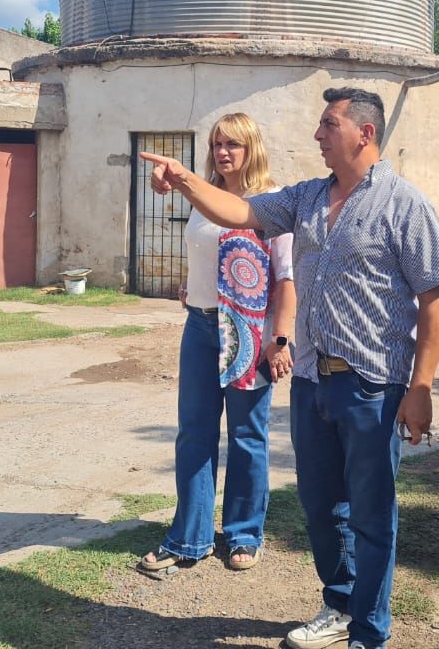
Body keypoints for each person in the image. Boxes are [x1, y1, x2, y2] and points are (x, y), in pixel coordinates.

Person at [141, 87, 439, 649]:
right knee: (319, 505)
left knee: (371, 511)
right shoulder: (307, 198)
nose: (317, 135)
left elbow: (434, 300)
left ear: (364, 132)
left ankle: (370, 630)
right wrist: (186, 179)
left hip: (373, 384)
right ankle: (338, 605)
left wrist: (422, 385)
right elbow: (240, 210)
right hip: (313, 380)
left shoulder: (405, 204)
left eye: (328, 125)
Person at [137, 113, 297, 577]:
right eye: (216, 143)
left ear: (252, 147)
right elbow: (204, 253)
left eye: (233, 144)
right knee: (194, 433)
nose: (222, 152)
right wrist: (195, 289)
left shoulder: (273, 202)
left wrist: (279, 339)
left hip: (249, 332)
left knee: (247, 437)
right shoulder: (202, 196)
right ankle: (190, 537)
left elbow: (285, 280)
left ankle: (244, 534)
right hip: (201, 327)